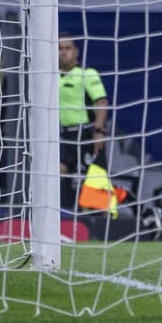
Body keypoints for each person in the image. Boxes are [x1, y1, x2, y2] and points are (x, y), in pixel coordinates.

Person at [58, 33, 110, 208]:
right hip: (65, 136)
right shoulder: (50, 77)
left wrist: (99, 130)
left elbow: (101, 101)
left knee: (95, 182)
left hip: (86, 134)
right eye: (59, 49)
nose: (63, 53)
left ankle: (139, 208)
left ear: (76, 51)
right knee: (59, 174)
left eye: (67, 48)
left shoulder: (86, 74)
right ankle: (64, 216)